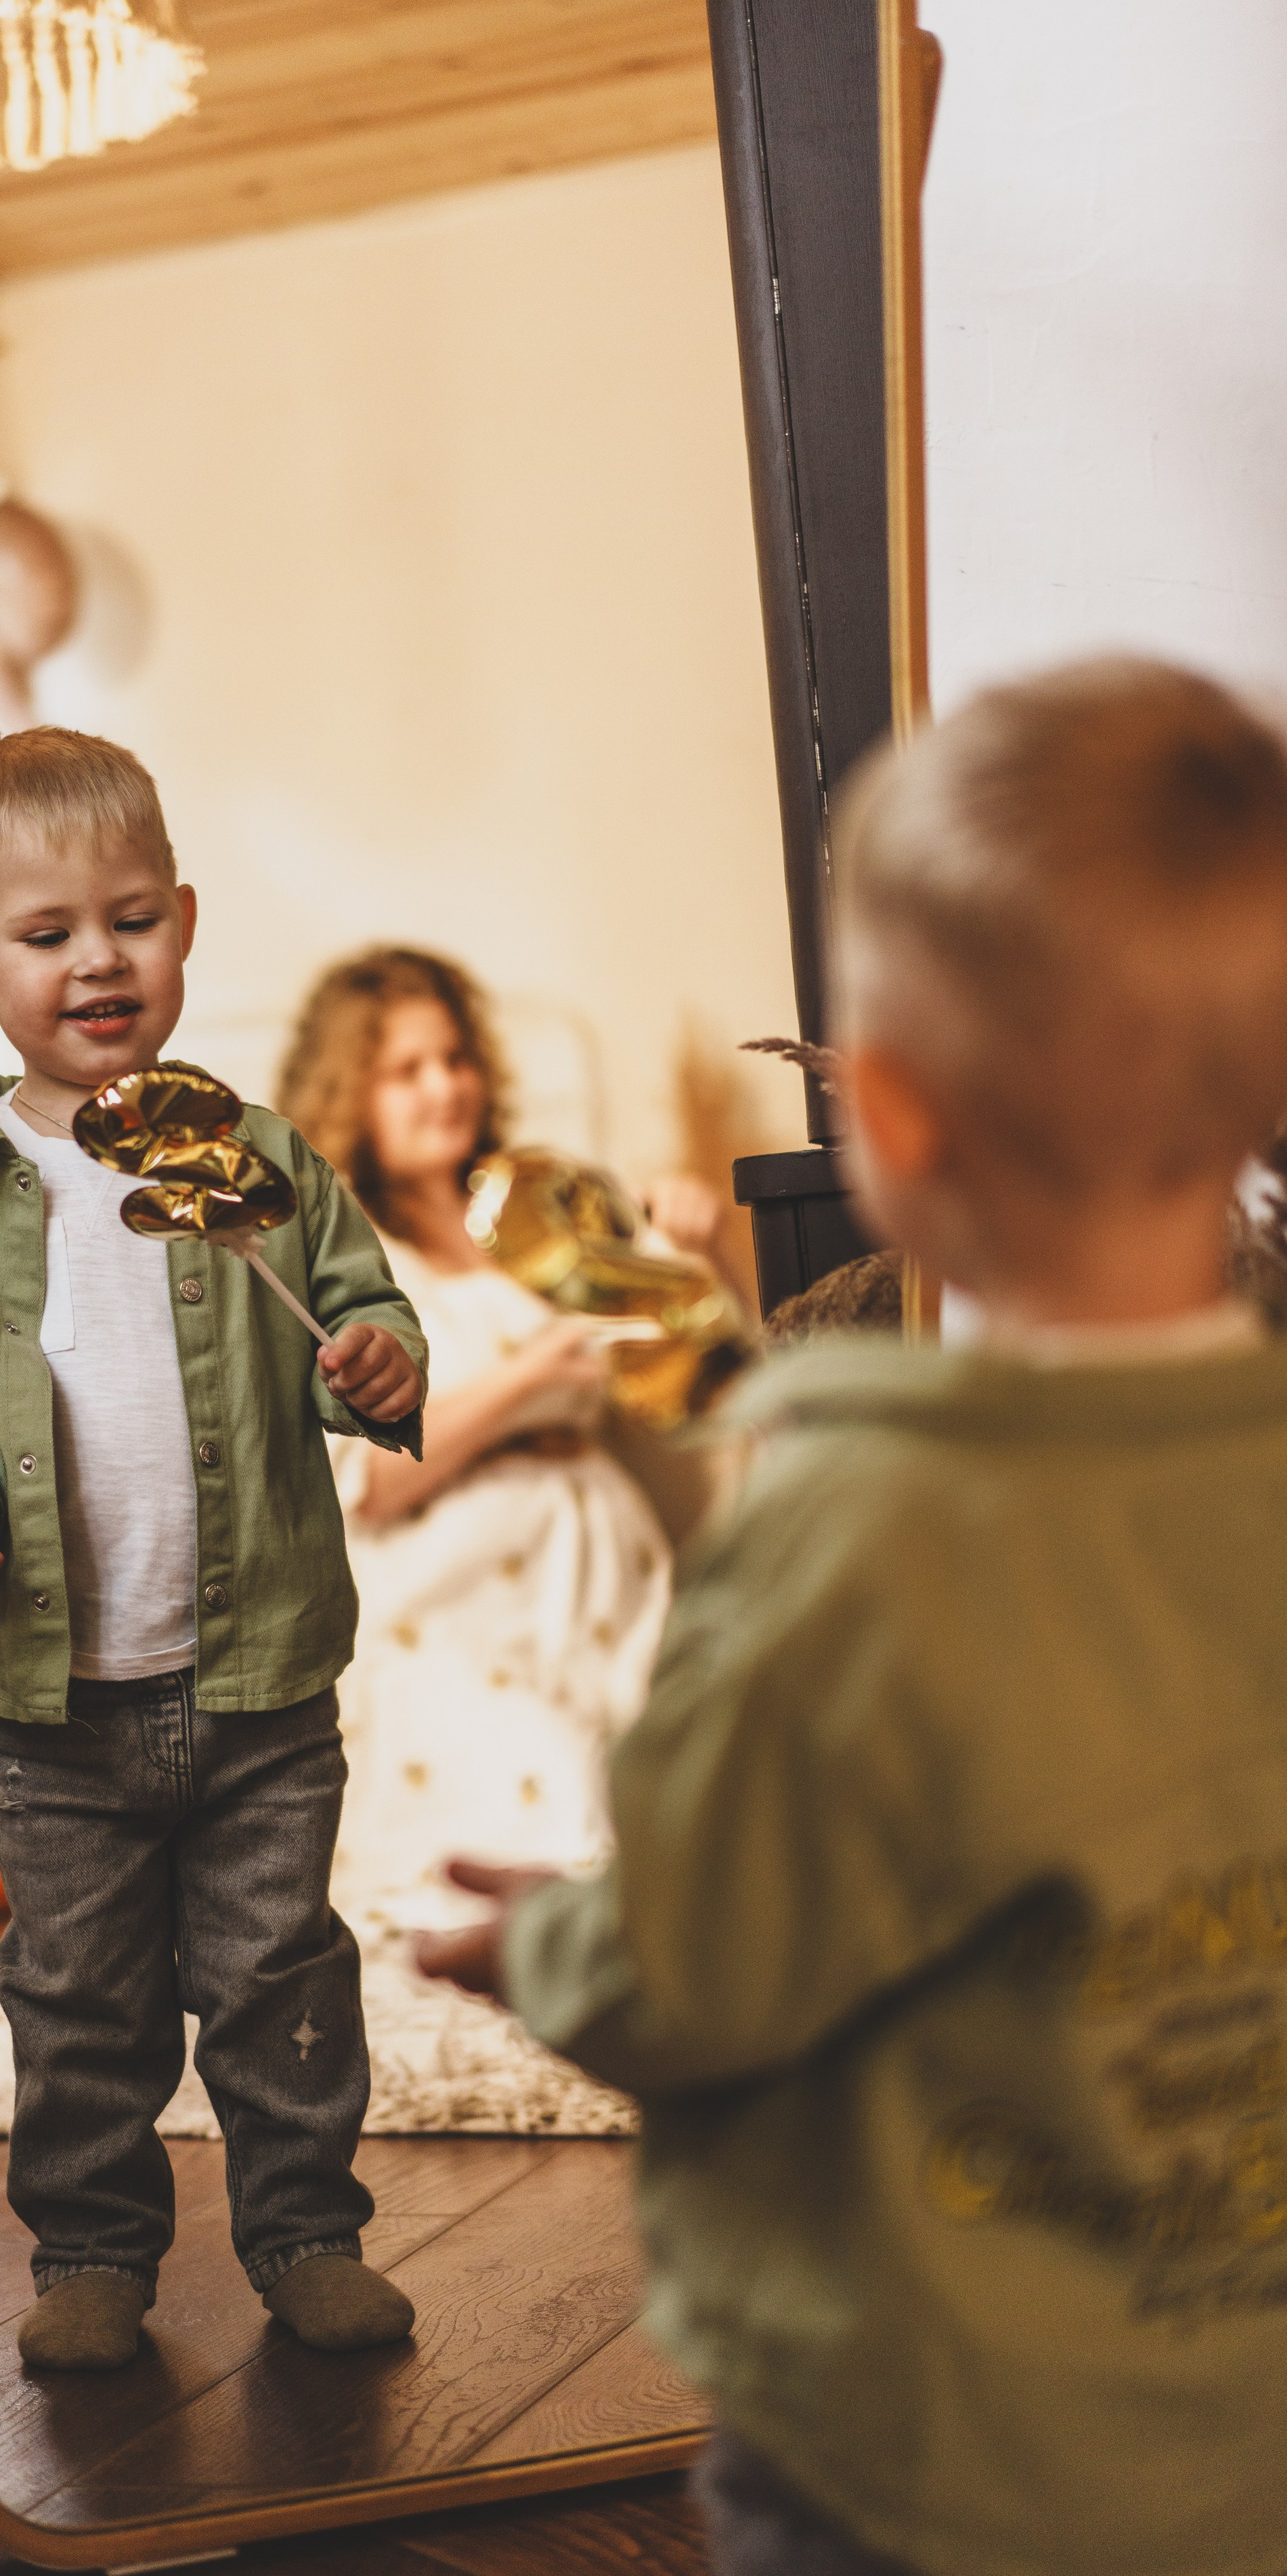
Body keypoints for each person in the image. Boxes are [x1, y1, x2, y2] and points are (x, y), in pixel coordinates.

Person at [418, 658, 1287, 2574]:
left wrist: (553, 1950)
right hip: (1242, 2426)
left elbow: (706, 1966)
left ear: (880, 1118)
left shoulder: (860, 1531)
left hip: (923, 2455)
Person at [0, 726, 429, 2374]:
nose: (97, 962)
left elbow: (364, 1306)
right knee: (76, 2002)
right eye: (46, 934)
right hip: (48, 1704)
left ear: (186, 923)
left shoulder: (258, 1158)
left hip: (259, 1672)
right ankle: (88, 2255)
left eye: (130, 920)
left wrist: (379, 1358)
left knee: (282, 1975)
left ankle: (302, 2233)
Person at [275, 949, 674, 1950]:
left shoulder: (538, 1212)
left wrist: (681, 1247)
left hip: (603, 1572)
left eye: (455, 1059)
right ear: (349, 1090)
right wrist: (529, 1383)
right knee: (554, 1787)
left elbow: (667, 1370)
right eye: (407, 1070)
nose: (445, 1087)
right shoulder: (337, 1249)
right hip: (446, 1591)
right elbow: (362, 1481)